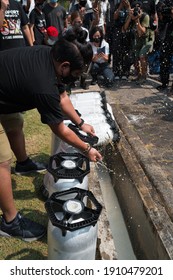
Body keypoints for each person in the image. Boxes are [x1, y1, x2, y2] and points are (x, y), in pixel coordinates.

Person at [0, 28, 102, 241]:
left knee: (15, 122)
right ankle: (10, 222)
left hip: (4, 89)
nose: (76, 78)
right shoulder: (43, 85)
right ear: (65, 66)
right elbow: (59, 129)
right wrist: (87, 149)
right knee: (1, 160)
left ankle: (24, 164)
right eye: (76, 74)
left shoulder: (51, 54)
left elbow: (62, 96)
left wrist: (81, 123)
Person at [0, 0, 47, 175]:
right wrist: (2, 8)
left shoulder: (16, 4)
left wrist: (31, 47)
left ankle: (23, 162)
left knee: (14, 119)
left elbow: (25, 26)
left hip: (17, 63)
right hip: (4, 66)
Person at [123, 1, 154, 84]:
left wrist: (137, 20)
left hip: (147, 38)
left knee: (142, 56)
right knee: (135, 57)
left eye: (138, 8)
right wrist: (130, 17)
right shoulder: (131, 15)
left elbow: (142, 32)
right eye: (134, 9)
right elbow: (124, 29)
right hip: (138, 39)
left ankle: (144, 76)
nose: (136, 11)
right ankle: (139, 74)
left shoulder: (145, 16)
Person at [156, 0, 173, 94]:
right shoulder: (164, 2)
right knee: (164, 58)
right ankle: (164, 82)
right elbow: (161, 17)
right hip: (168, 33)